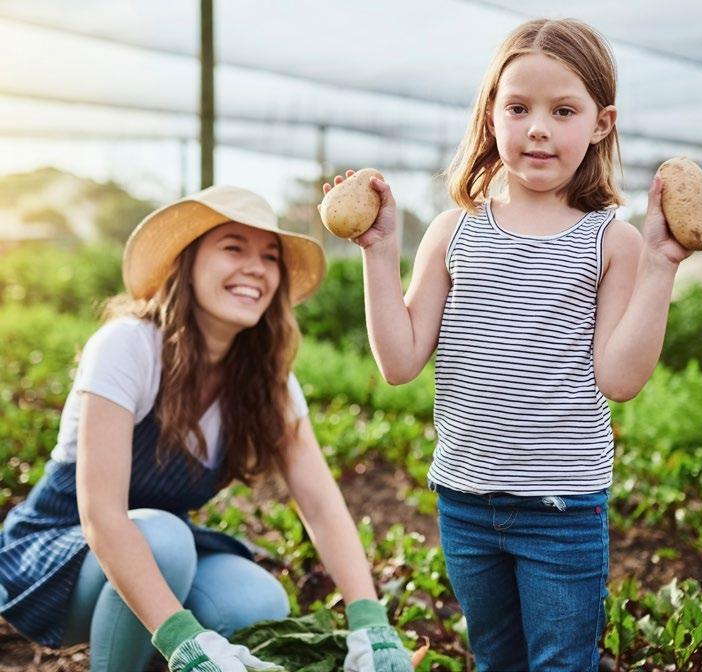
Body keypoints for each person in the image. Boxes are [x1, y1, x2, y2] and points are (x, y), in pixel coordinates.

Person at [325, 18, 702, 672]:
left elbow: (618, 379)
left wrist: (660, 264)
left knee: (561, 665)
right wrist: (379, 250)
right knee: (495, 661)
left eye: (563, 110)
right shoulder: (455, 231)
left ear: (601, 123)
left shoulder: (610, 241)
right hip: (465, 503)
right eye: (518, 107)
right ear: (490, 116)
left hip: (562, 509)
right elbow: (398, 362)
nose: (538, 127)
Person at [0, 185, 414, 672]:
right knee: (167, 541)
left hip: (153, 555)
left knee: (255, 598)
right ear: (187, 262)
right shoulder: (128, 346)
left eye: (270, 256)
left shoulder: (266, 380)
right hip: (58, 559)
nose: (256, 268)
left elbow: (322, 506)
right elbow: (102, 515)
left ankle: (148, 648)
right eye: (233, 248)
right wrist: (183, 642)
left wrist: (370, 621)